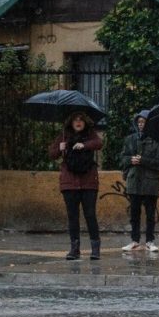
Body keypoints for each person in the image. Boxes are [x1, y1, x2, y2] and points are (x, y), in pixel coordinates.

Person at [48, 111, 103, 260]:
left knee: (90, 215)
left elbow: (99, 143)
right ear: (71, 122)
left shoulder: (90, 134)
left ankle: (95, 249)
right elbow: (52, 154)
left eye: (81, 120)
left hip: (88, 182)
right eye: (75, 120)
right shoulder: (64, 135)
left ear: (85, 122)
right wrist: (60, 148)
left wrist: (84, 145)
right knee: (73, 216)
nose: (78, 122)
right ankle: (74, 249)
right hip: (69, 182)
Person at [121, 110, 159, 252]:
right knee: (134, 213)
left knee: (150, 214)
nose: (140, 125)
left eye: (143, 122)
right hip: (134, 181)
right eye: (138, 122)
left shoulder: (156, 141)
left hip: (150, 183)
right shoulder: (130, 139)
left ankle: (150, 241)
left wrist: (142, 160)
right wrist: (130, 160)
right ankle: (135, 240)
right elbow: (122, 158)